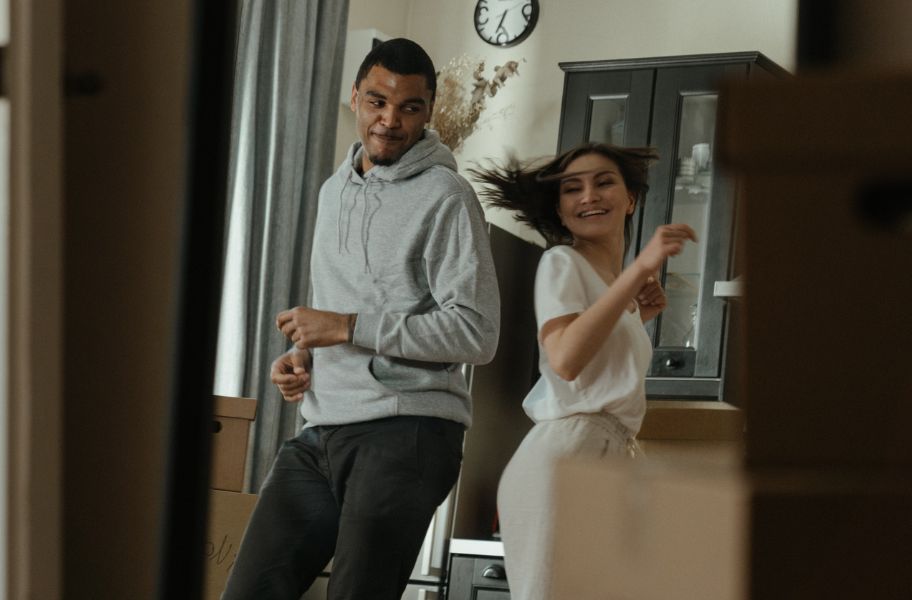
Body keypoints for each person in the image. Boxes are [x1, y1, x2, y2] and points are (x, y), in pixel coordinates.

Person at [221, 38, 500, 600]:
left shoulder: (447, 197)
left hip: (408, 431)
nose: (390, 121)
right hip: (322, 428)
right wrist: (303, 356)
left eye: (410, 107)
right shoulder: (333, 191)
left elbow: (477, 332)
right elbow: (333, 305)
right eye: (377, 101)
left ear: (430, 110)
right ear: (354, 97)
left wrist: (348, 327)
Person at [471, 142, 696, 599]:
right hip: (564, 461)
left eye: (604, 182)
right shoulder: (561, 262)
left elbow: (596, 362)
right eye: (572, 189)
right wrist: (639, 273)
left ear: (630, 198)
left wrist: (634, 313)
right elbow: (566, 360)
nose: (588, 196)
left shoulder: (611, 290)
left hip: (604, 463)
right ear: (560, 207)